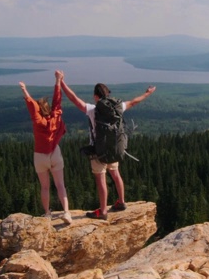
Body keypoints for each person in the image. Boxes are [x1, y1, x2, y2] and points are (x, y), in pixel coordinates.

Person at [60, 73, 156, 220]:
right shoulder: (118, 107)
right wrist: (147, 93)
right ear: (108, 94)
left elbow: (74, 99)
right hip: (114, 147)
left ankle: (103, 211)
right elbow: (134, 102)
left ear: (95, 96)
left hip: (98, 151)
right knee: (116, 174)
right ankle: (121, 202)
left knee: (101, 180)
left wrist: (61, 83)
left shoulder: (93, 109)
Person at [19, 70, 72, 224]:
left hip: (40, 156)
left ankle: (47, 213)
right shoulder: (56, 116)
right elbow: (57, 100)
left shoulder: (38, 122)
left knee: (45, 187)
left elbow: (32, 108)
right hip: (54, 153)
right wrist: (58, 80)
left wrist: (24, 90)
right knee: (60, 185)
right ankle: (67, 212)